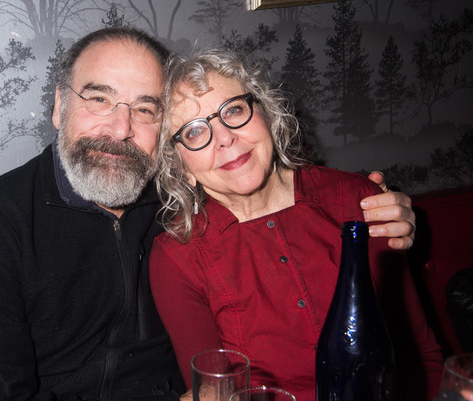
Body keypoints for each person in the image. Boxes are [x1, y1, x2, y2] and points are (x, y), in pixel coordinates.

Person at [0, 27, 416, 401]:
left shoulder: (175, 199)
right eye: (99, 99)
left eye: (145, 110)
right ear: (60, 106)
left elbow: (275, 200)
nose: (121, 129)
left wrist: (385, 213)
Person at [149, 48, 444, 401]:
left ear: (265, 112)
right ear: (181, 167)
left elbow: (420, 357)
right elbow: (213, 389)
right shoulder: (178, 257)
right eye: (195, 132)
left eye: (234, 110)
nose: (225, 137)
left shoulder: (357, 201)